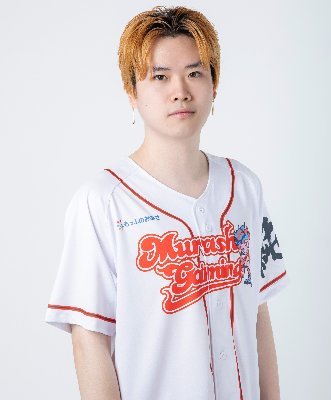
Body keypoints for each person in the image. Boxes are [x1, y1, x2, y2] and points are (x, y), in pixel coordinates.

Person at [44, 5, 289, 400]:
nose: (181, 91)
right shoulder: (103, 201)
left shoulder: (243, 186)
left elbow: (258, 312)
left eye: (195, 73)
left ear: (214, 85)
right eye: (160, 76)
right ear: (132, 92)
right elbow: (89, 341)